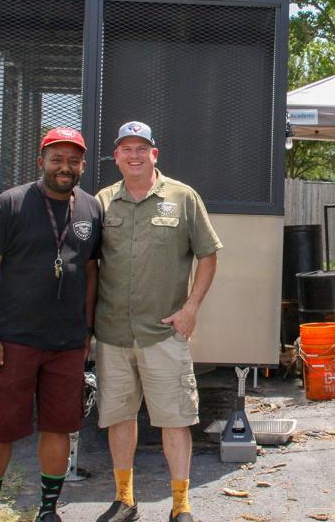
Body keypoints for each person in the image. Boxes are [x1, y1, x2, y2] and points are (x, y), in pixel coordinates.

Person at [0, 127, 103, 522]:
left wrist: (86, 333)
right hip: (14, 341)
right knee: (0, 429)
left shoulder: (92, 209)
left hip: (66, 343)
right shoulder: (10, 204)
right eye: (57, 159)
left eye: (73, 160)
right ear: (40, 161)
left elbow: (91, 274)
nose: (65, 167)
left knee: (59, 428)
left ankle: (48, 510)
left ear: (82, 165)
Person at [94, 121, 222, 522]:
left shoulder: (183, 198)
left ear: (155, 154)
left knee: (175, 420)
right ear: (116, 157)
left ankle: (181, 506)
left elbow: (208, 254)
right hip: (113, 333)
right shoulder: (100, 202)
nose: (134, 155)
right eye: (126, 149)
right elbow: (90, 265)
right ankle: (125, 500)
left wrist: (191, 308)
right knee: (119, 417)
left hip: (164, 333)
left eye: (141, 148)